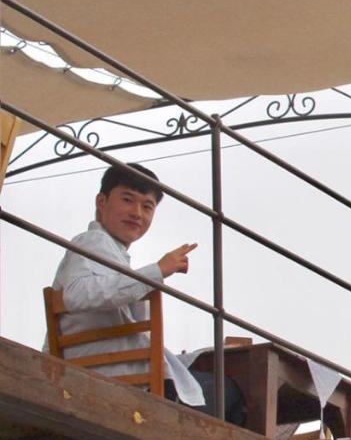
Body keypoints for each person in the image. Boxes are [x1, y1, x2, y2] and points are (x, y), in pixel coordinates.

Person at [49, 162, 246, 426]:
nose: (136, 213)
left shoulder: (110, 251)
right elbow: (77, 294)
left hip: (107, 372)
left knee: (203, 379)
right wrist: (157, 271)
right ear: (101, 201)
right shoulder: (92, 242)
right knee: (231, 390)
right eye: (128, 200)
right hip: (120, 380)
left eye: (147, 206)